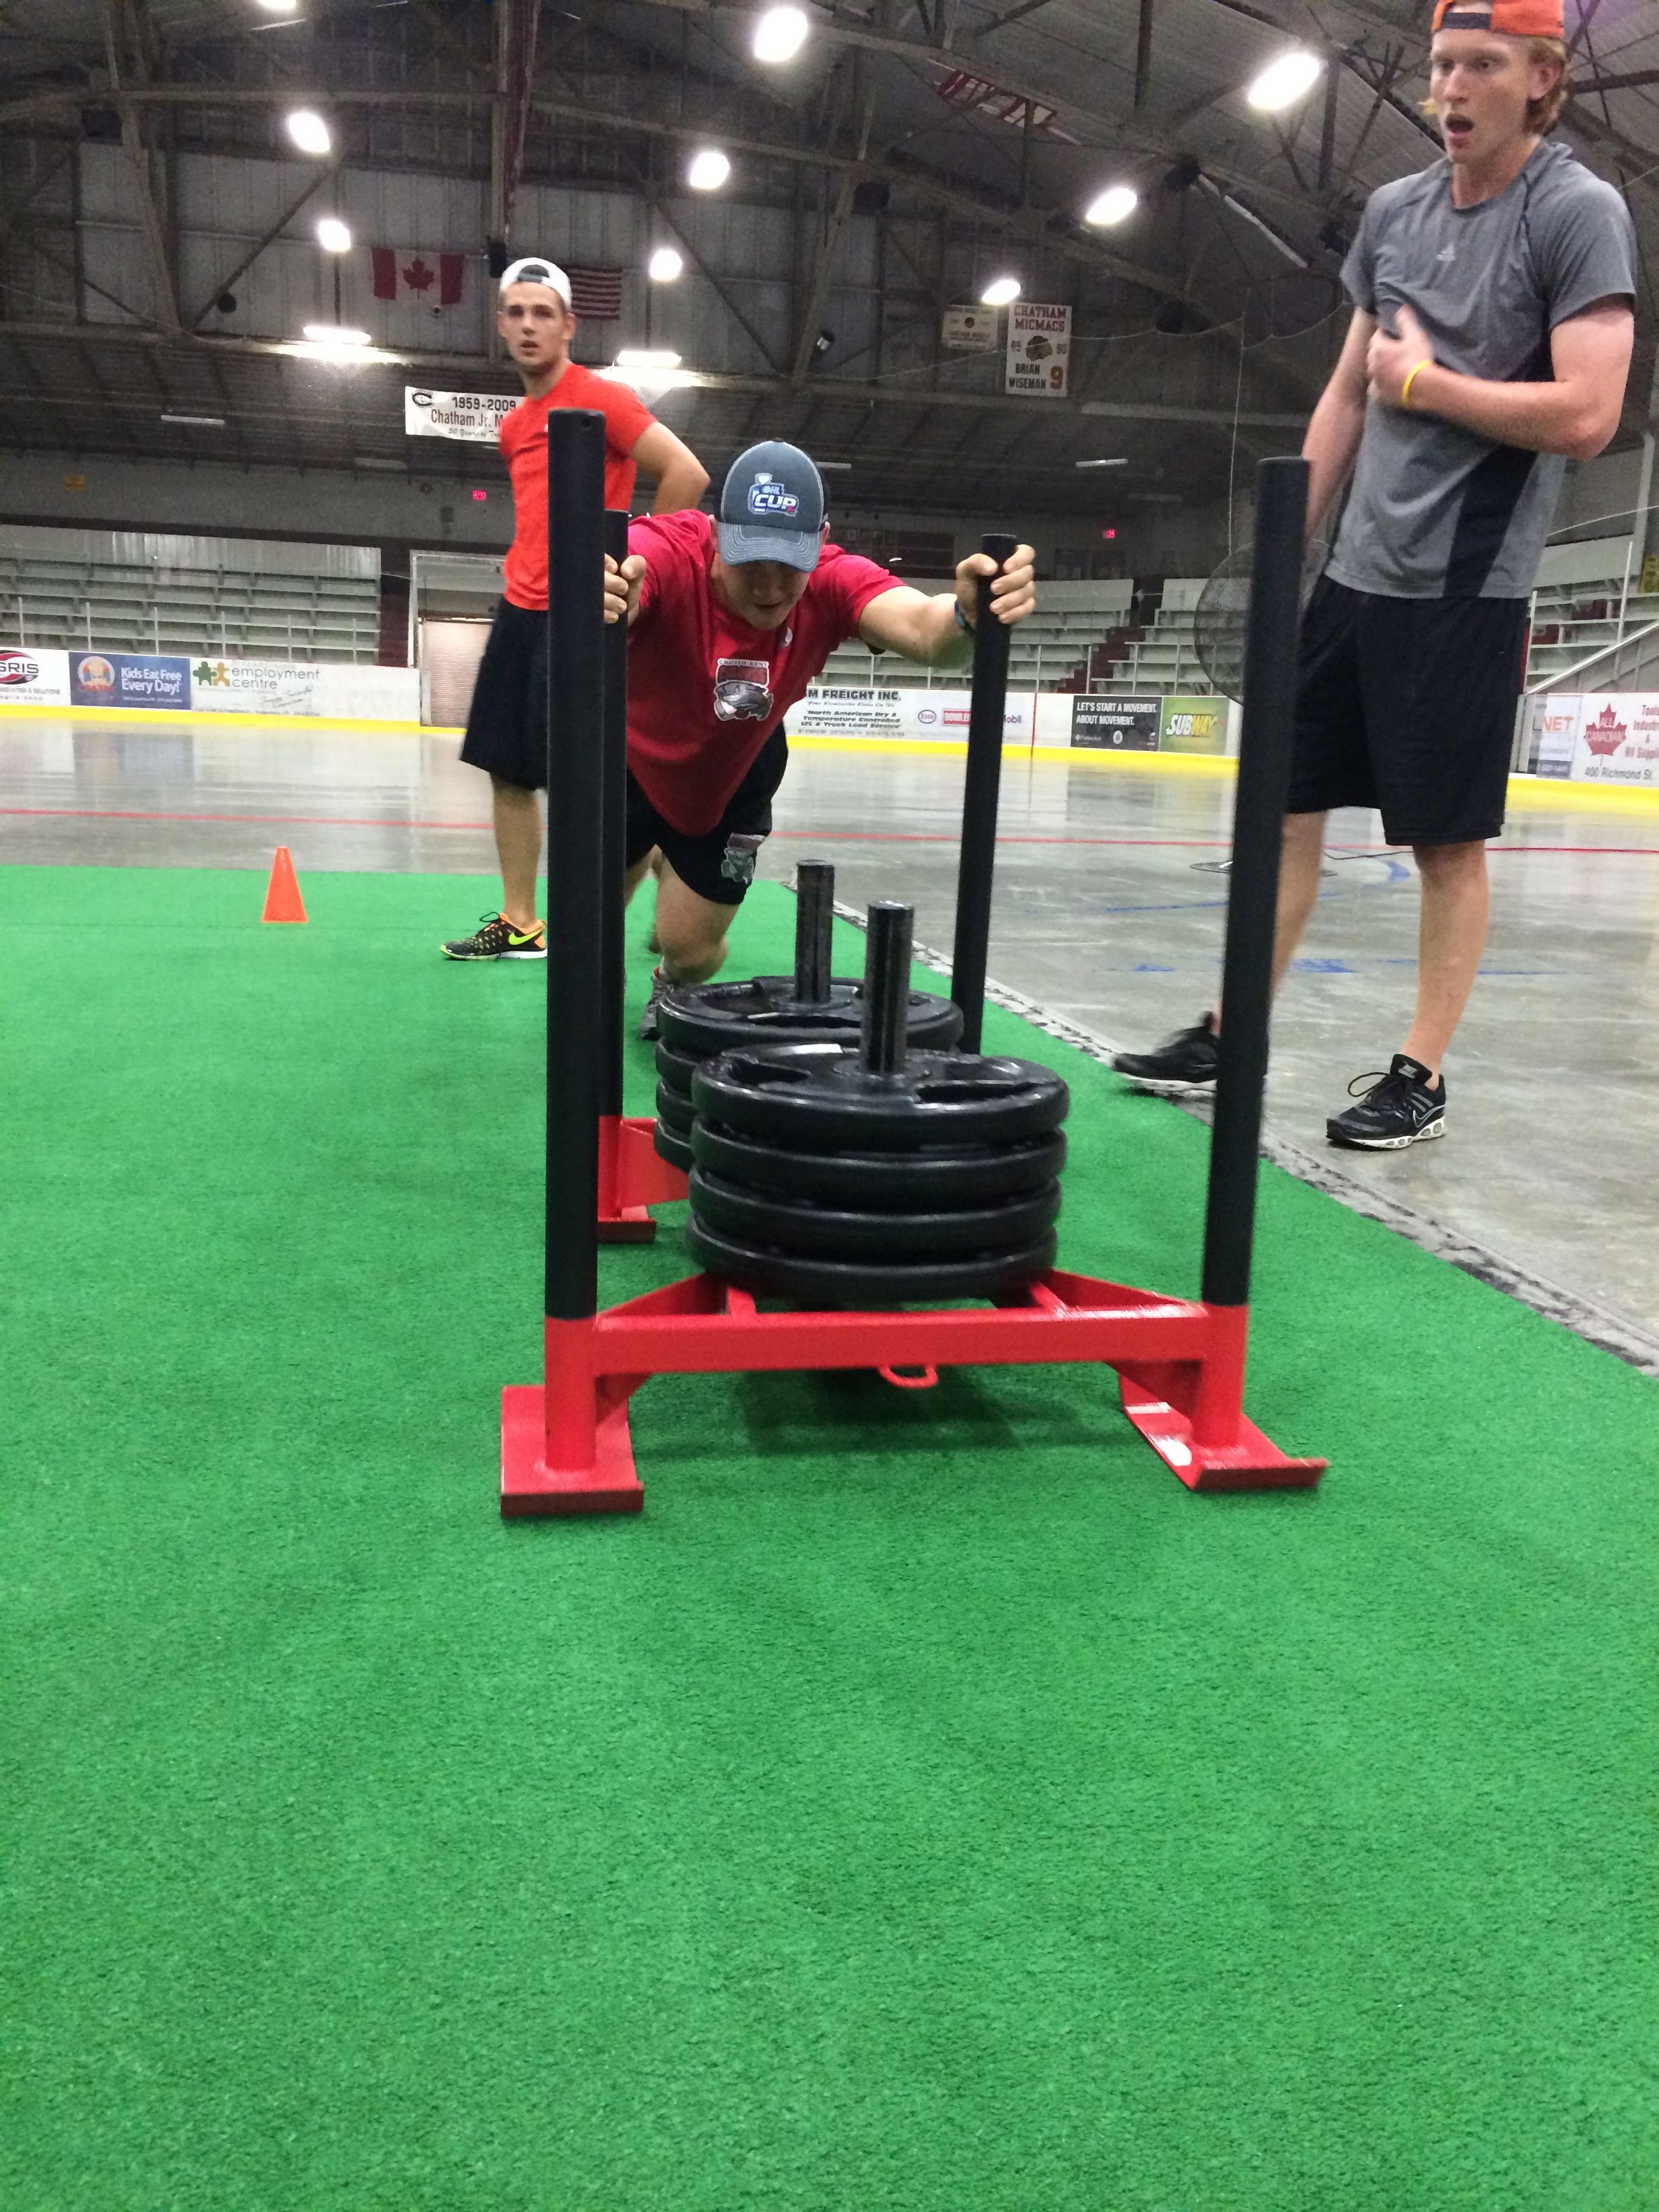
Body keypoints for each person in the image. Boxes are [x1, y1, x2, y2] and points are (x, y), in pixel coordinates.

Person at [1112, 0, 1635, 1149]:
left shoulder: (1576, 213)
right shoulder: (1395, 212)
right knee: (1283, 813)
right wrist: (1287, 537)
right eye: (1441, 64)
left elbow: (1588, 416)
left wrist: (1426, 387)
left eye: (1482, 65)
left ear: (1542, 80)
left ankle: (1419, 1075)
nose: (1451, 88)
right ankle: (1229, 1028)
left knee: (1445, 844)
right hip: (1352, 577)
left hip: (1466, 586)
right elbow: (1349, 390)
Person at [597, 440, 1036, 1035]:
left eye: (789, 563)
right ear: (717, 535)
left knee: (692, 953)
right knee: (586, 936)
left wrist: (968, 613)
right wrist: (609, 592)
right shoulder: (670, 548)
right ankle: (653, 852)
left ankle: (670, 975)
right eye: (751, 560)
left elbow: (927, 633)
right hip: (626, 759)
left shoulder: (833, 579)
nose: (770, 586)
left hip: (735, 769)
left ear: (820, 539)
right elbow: (630, 573)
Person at [442, 257, 708, 960]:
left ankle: (642, 871)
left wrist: (638, 563)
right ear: (502, 325)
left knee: (588, 781)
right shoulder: (513, 426)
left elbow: (687, 473)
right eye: (517, 313)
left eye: (543, 313)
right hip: (519, 607)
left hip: (586, 616)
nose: (529, 325)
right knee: (507, 769)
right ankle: (520, 921)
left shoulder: (601, 399)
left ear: (568, 326)